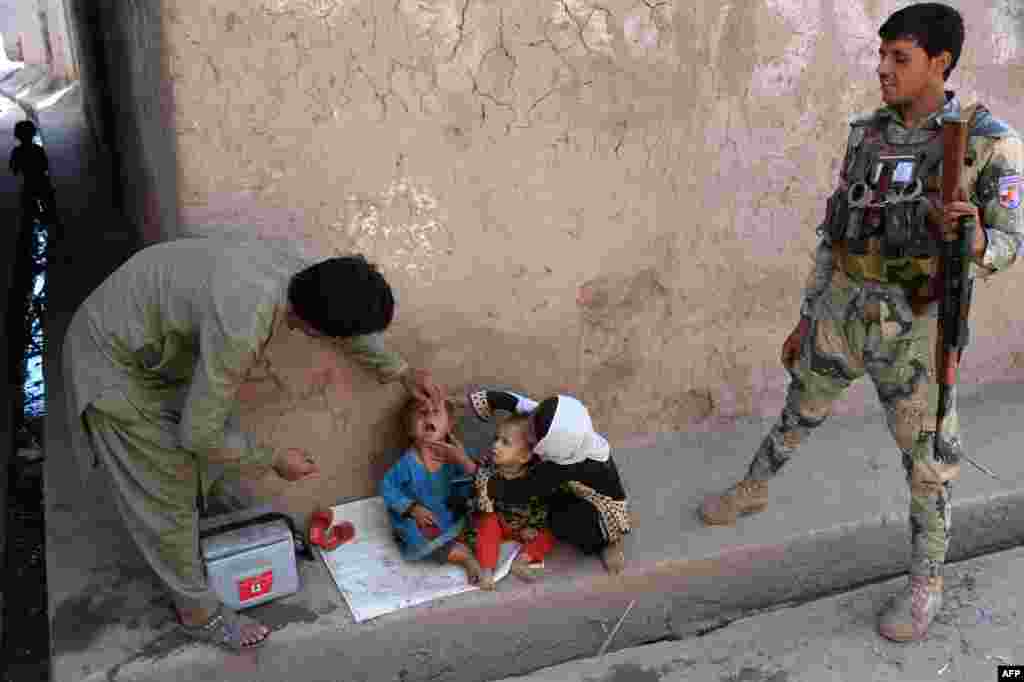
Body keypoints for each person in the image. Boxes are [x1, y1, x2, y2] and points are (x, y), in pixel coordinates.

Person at [698, 3, 1022, 643]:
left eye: (898, 58)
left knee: (926, 459)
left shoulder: (985, 139)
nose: (882, 69)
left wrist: (981, 240)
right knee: (801, 404)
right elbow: (833, 230)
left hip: (916, 324)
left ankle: (927, 579)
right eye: (881, 56)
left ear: (940, 62)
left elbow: (1014, 239)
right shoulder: (867, 132)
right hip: (844, 304)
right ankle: (755, 486)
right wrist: (806, 313)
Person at [62, 237, 444, 651]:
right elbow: (197, 434)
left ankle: (209, 530)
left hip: (148, 342)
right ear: (311, 329)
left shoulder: (314, 275)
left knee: (211, 429)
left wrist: (402, 372)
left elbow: (347, 330)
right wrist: (273, 459)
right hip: (110, 360)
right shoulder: (245, 321)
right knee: (164, 485)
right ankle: (199, 615)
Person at [469, 391, 632, 575]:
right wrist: (476, 401)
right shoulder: (553, 419)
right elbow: (516, 402)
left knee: (560, 520)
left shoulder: (567, 466)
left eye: (531, 436)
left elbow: (518, 491)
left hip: (602, 508)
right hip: (570, 486)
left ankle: (607, 543)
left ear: (551, 446)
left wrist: (474, 471)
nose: (528, 432)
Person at [379, 397, 483, 584]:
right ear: (410, 428)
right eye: (421, 413)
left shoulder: (454, 454)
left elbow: (477, 479)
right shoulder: (407, 463)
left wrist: (463, 461)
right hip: (424, 520)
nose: (429, 416)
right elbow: (387, 487)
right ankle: (464, 557)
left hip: (453, 511)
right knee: (414, 538)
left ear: (449, 424)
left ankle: (469, 545)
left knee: (483, 517)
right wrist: (412, 509)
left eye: (436, 412)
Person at [473, 413, 557, 590]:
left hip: (525, 527)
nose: (495, 445)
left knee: (548, 533)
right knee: (487, 523)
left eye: (505, 442)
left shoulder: (533, 478)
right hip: (500, 522)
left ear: (524, 457)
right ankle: (487, 569)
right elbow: (482, 502)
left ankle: (521, 561)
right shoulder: (487, 470)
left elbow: (542, 506)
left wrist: (532, 526)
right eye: (496, 439)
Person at [8, 119, 56, 227]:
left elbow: (14, 169)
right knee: (49, 206)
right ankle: (51, 226)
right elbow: (45, 166)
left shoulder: (17, 151)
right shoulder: (38, 149)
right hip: (42, 181)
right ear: (33, 133)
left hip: (28, 183)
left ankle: (39, 219)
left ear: (17, 135)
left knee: (29, 210)